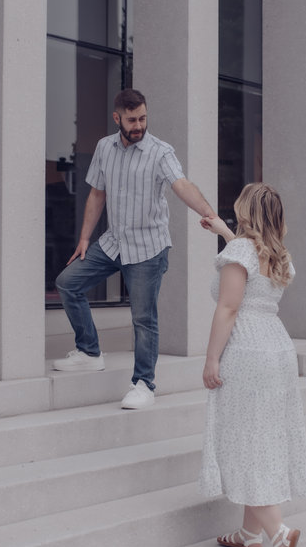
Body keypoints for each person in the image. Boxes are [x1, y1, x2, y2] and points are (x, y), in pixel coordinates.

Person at [53, 88, 217, 410]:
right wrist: (85, 238)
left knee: (143, 319)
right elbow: (97, 194)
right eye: (132, 120)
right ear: (117, 118)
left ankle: (144, 384)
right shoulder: (104, 148)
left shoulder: (160, 152)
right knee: (67, 283)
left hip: (148, 248)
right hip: (113, 242)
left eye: (142, 118)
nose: (139, 125)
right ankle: (89, 352)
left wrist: (209, 214)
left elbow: (181, 185)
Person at [199, 183, 306, 547]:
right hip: (276, 348)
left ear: (245, 211)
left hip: (246, 350)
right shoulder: (279, 256)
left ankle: (278, 534)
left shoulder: (239, 253)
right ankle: (249, 535)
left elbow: (229, 307)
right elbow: (251, 259)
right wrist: (224, 232)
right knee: (261, 440)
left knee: (242, 442)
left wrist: (211, 359)